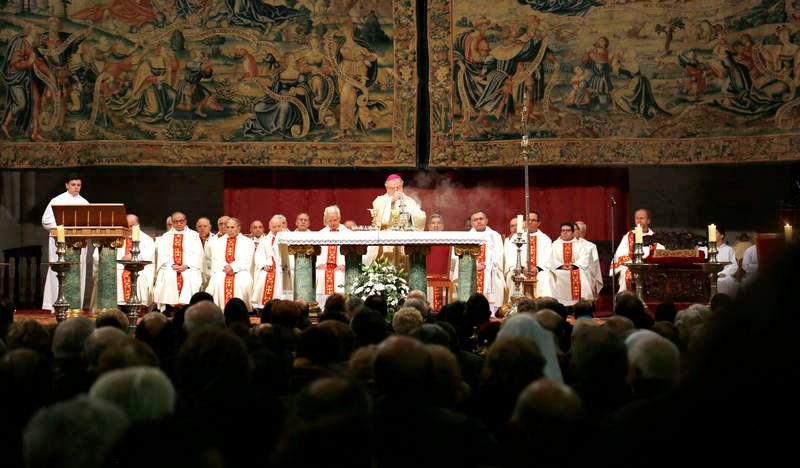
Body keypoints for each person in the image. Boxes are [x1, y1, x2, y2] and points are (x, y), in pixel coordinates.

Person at [42, 173, 89, 312]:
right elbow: (46, 221)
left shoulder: (84, 203)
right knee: (60, 271)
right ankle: (57, 305)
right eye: (73, 185)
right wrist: (64, 226)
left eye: (78, 185)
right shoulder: (56, 201)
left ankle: (74, 306)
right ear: (67, 185)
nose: (76, 188)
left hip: (78, 243)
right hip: (60, 243)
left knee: (77, 271)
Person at [2, 23, 49, 141]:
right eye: (35, 30)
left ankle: (35, 132)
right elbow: (15, 63)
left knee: (37, 100)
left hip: (27, 78)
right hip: (17, 78)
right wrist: (28, 63)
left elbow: (38, 62)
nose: (38, 33)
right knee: (21, 104)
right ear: (29, 31)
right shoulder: (20, 43)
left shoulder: (32, 46)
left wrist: (50, 73)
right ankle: (5, 125)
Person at [152, 211, 204, 311]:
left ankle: (187, 307)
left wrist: (186, 265)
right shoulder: (166, 236)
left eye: (181, 221)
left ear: (185, 221)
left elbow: (198, 254)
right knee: (168, 276)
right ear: (172, 222)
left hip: (189, 268)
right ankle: (169, 309)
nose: (179, 224)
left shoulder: (194, 236)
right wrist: (172, 265)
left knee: (189, 277)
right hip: (170, 267)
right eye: (176, 221)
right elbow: (162, 255)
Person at [205, 217, 255, 310]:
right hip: (222, 270)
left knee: (242, 283)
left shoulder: (247, 242)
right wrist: (226, 267)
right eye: (228, 227)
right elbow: (216, 259)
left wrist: (233, 267)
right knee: (217, 281)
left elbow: (247, 259)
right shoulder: (218, 242)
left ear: (239, 228)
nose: (230, 230)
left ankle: (241, 310)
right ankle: (220, 309)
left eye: (232, 227)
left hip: (241, 271)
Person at [462, 209, 505, 314]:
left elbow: (499, 255)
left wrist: (487, 265)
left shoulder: (495, 236)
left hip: (491, 269)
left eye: (481, 219)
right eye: (475, 220)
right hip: (472, 269)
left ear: (486, 221)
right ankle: (469, 311)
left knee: (494, 280)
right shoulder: (465, 237)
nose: (479, 221)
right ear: (472, 223)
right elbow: (462, 256)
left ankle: (492, 312)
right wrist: (474, 266)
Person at [503, 211, 553, 299]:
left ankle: (543, 305)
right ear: (524, 222)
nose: (530, 222)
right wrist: (522, 269)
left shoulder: (545, 239)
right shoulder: (515, 238)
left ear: (538, 223)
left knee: (544, 277)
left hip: (539, 271)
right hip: (520, 270)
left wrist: (536, 269)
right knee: (513, 275)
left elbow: (547, 258)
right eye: (528, 220)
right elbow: (510, 257)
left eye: (533, 220)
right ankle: (515, 304)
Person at [549, 222, 597, 306]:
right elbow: (550, 259)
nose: (565, 232)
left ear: (572, 232)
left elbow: (585, 258)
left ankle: (582, 303)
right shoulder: (554, 245)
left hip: (576, 269)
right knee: (552, 275)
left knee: (581, 274)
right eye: (563, 230)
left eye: (567, 230)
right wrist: (561, 266)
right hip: (559, 270)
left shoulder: (581, 245)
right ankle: (559, 303)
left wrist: (574, 266)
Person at [611, 208, 657, 293]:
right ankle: (626, 301)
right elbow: (620, 253)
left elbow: (658, 253)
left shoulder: (655, 237)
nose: (639, 220)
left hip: (649, 267)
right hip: (631, 266)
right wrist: (633, 264)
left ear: (648, 221)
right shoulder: (629, 236)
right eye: (637, 218)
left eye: (642, 218)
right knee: (626, 273)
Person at [116, 214, 155, 306]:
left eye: (131, 226)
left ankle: (139, 305)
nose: (129, 228)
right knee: (116, 275)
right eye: (127, 226)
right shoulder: (118, 238)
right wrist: (123, 259)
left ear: (138, 226)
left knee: (139, 277)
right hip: (120, 267)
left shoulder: (147, 239)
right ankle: (119, 305)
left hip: (141, 268)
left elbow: (149, 256)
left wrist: (134, 257)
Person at [315, 205, 349, 306]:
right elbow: (316, 252)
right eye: (330, 220)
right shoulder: (320, 234)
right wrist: (319, 264)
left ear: (339, 218)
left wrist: (344, 264)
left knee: (340, 276)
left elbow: (350, 251)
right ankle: (320, 306)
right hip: (324, 268)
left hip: (340, 268)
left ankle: (342, 306)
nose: (333, 223)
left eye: (335, 220)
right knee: (319, 275)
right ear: (325, 219)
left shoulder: (348, 233)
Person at [252, 215, 288, 309]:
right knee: (263, 277)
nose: (277, 229)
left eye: (279, 226)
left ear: (282, 226)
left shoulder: (288, 239)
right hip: (269, 267)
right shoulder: (264, 240)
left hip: (284, 266)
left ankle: (284, 305)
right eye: (274, 227)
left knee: (284, 276)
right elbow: (259, 256)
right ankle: (262, 306)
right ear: (269, 227)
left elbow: (291, 256)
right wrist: (264, 265)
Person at [425, 214, 457, 312]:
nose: (436, 225)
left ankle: (446, 312)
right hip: (427, 276)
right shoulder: (422, 240)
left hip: (445, 276)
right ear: (428, 226)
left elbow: (453, 260)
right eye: (433, 223)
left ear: (443, 226)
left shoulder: (449, 240)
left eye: (438, 223)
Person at [574, 220, 604, 298]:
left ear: (583, 233)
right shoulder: (566, 244)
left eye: (577, 230)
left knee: (584, 273)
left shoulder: (590, 246)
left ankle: (585, 302)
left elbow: (593, 266)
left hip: (584, 272)